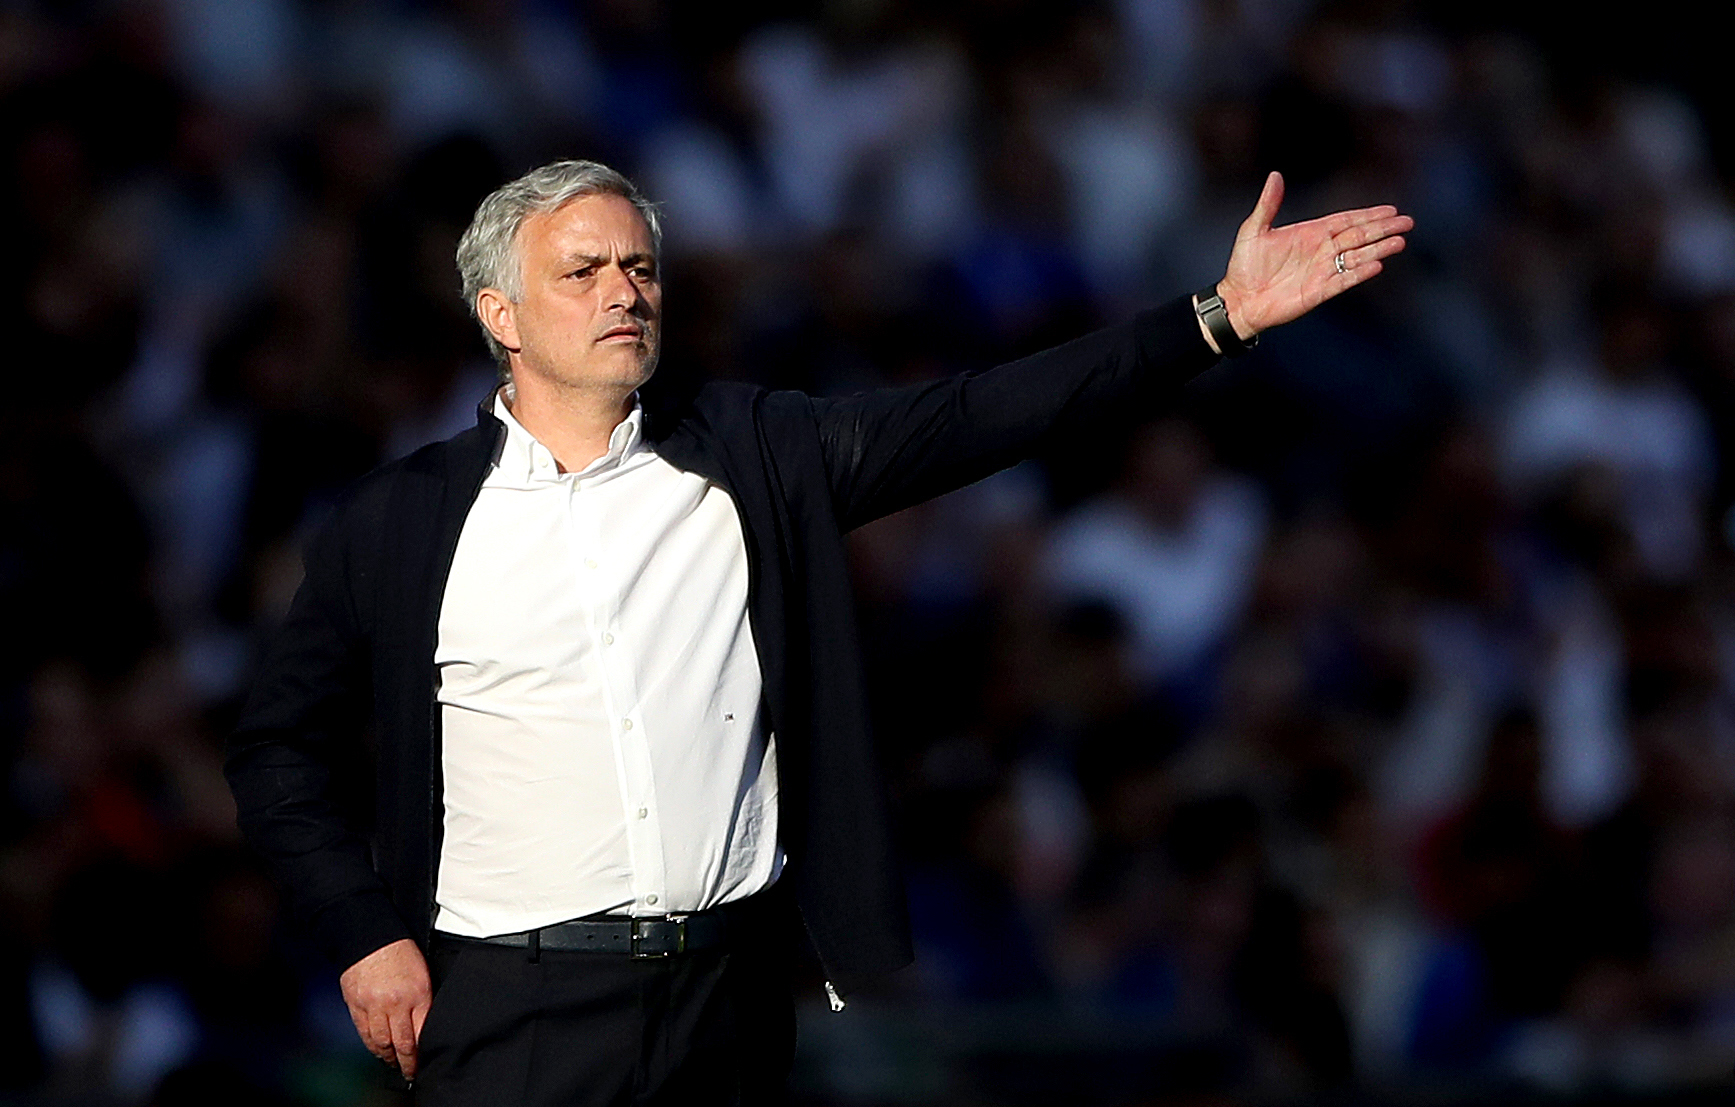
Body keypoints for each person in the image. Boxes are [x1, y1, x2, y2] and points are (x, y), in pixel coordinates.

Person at [225, 159, 1410, 1105]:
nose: (625, 293)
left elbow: (978, 415)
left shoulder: (755, 453)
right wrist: (361, 933)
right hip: (509, 1011)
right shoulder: (400, 522)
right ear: (501, 314)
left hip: (724, 1003)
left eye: (639, 267)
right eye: (583, 272)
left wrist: (1215, 319)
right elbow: (277, 749)